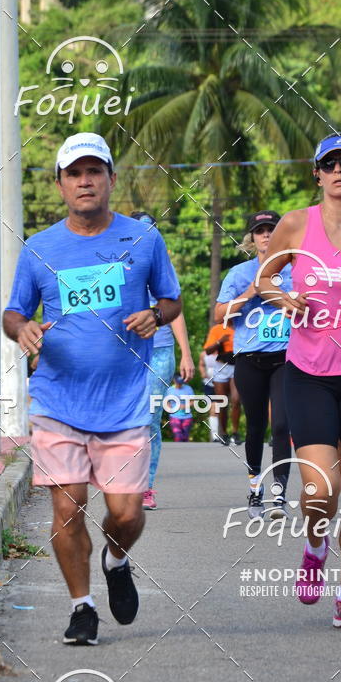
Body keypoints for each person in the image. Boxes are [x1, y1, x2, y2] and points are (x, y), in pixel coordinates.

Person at [2, 132, 181, 645]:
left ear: (110, 180)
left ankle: (116, 558)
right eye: (74, 173)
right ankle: (82, 607)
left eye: (94, 171)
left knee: (125, 513)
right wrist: (22, 330)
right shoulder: (40, 249)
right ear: (60, 184)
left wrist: (154, 314)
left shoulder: (143, 239)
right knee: (67, 506)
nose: (85, 181)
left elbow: (171, 300)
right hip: (57, 398)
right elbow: (14, 310)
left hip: (123, 402)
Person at [258, 133, 341, 631]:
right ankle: (314, 546)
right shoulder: (295, 224)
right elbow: (265, 279)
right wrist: (278, 296)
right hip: (308, 371)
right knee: (319, 489)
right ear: (317, 174)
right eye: (328, 164)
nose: (338, 171)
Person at [215, 211, 292, 519]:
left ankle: (280, 496)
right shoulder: (239, 273)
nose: (266, 235)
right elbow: (220, 313)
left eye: (271, 229)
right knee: (255, 426)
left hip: (286, 358)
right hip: (249, 360)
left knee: (283, 425)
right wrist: (250, 293)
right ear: (252, 238)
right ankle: (255, 491)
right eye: (260, 231)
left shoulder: (295, 271)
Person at [130, 211, 194, 510]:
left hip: (160, 352)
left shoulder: (164, 271)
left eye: (150, 231)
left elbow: (175, 313)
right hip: (125, 355)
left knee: (150, 419)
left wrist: (186, 352)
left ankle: (145, 486)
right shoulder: (118, 269)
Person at [202, 322, 242, 444]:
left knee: (236, 400)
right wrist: (220, 341)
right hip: (221, 366)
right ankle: (224, 433)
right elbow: (208, 351)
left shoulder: (242, 326)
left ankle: (235, 433)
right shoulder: (217, 329)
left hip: (237, 366)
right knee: (222, 402)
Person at [199, 350, 220, 441]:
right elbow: (201, 364)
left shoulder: (225, 352)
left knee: (222, 409)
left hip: (223, 383)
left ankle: (225, 434)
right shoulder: (204, 354)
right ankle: (215, 435)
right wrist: (203, 372)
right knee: (214, 408)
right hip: (209, 384)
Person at [166, 374, 194, 441]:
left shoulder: (188, 389)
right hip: (174, 417)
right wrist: (170, 409)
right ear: (174, 381)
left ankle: (185, 450)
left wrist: (185, 406)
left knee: (185, 436)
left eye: (181, 383)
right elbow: (167, 402)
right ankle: (178, 450)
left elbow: (193, 402)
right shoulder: (170, 390)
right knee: (178, 435)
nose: (179, 385)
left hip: (187, 417)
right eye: (178, 383)